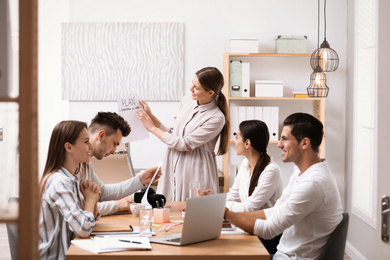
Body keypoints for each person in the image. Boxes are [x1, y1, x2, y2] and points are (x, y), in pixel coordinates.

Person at [224, 113, 343, 259]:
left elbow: (269, 230)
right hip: (283, 254)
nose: (279, 144)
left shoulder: (313, 183)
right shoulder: (301, 172)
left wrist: (226, 214)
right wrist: (231, 215)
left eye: (285, 139)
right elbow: (276, 211)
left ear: (304, 143)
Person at [137, 67, 230, 201]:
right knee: (168, 211)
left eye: (196, 88)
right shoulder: (187, 101)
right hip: (173, 163)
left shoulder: (216, 118)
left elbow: (184, 143)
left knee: (192, 213)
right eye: (192, 83)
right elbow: (174, 134)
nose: (191, 89)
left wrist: (152, 128)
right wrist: (151, 116)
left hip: (195, 169)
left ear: (210, 93)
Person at [39, 120, 101, 259]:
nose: (91, 146)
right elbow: (83, 229)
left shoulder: (71, 179)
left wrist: (93, 198)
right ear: (68, 146)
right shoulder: (59, 182)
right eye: (86, 142)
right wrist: (90, 200)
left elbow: (91, 219)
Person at [85, 112, 162, 216]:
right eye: (114, 144)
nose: (113, 152)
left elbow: (102, 193)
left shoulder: (86, 162)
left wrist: (140, 180)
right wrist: (117, 205)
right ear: (101, 135)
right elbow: (78, 208)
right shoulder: (74, 161)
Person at [227, 120, 283, 212]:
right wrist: (212, 201)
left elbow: (249, 207)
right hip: (246, 223)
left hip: (263, 225)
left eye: (237, 137)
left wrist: (224, 206)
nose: (235, 141)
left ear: (247, 143)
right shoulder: (245, 164)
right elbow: (232, 195)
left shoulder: (271, 171)